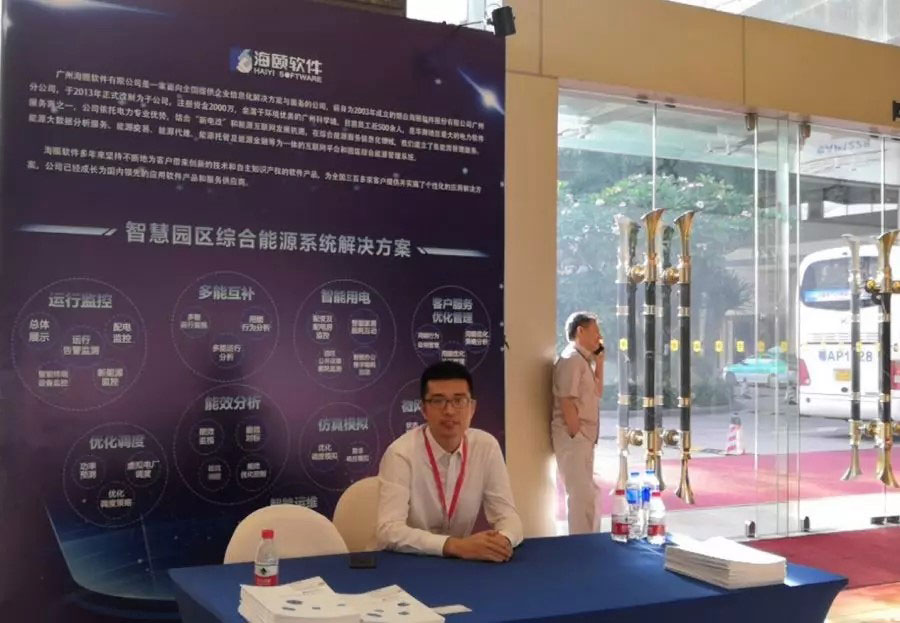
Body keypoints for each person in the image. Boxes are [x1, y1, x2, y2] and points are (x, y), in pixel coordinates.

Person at [376, 361, 523, 561]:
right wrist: (455, 545)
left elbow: (508, 516)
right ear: (424, 409)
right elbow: (388, 530)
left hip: (461, 564)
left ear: (472, 407)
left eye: (459, 400)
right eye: (438, 401)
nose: (450, 411)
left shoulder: (486, 447)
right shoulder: (400, 454)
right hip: (407, 562)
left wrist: (503, 541)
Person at [552, 311, 604, 534]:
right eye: (595, 331)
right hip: (575, 437)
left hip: (585, 438)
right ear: (580, 331)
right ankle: (581, 541)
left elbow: (598, 392)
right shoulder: (571, 359)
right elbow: (566, 400)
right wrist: (576, 433)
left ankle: (590, 539)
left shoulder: (583, 360)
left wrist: (599, 362)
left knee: (588, 494)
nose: (599, 337)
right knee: (580, 495)